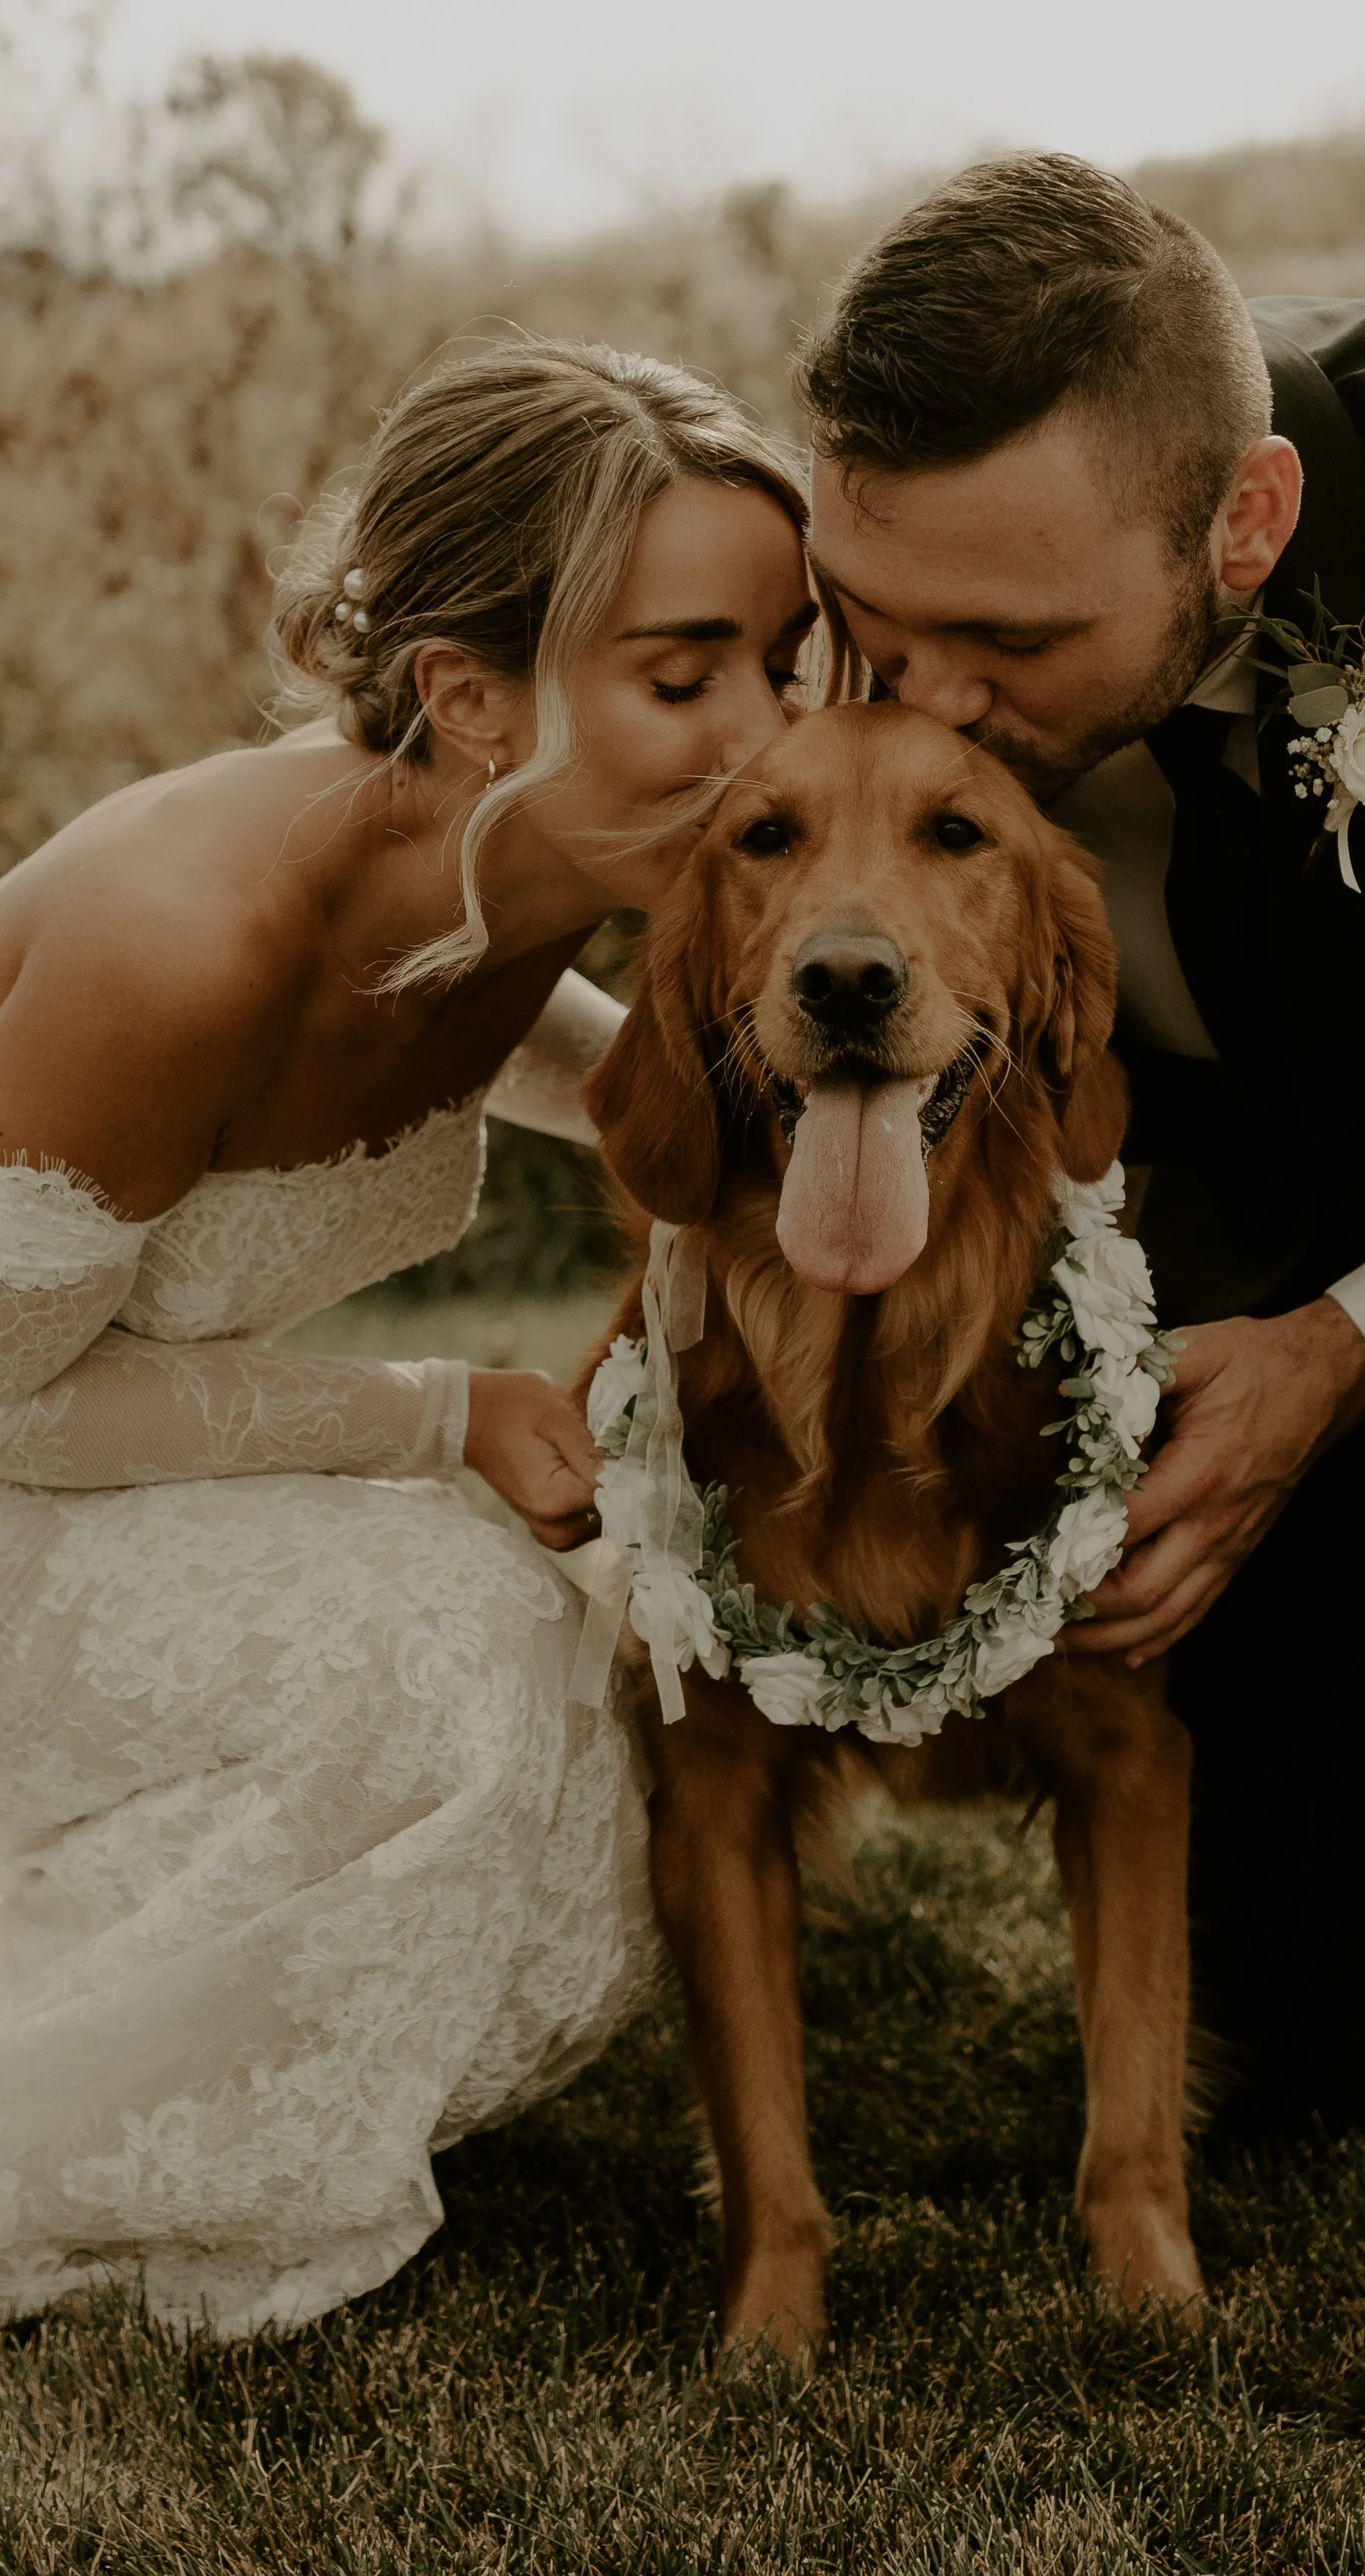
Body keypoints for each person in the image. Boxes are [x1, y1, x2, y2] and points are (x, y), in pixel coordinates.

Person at [797, 154, 1365, 2437]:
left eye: (1004, 650)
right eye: (871, 621)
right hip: (1209, 1205)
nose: (924, 696)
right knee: (1318, 2063)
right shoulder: (901, 587)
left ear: (1243, 521)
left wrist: (1349, 1349)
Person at [0, 339, 827, 2337]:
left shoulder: (510, 861)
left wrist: (727, 1133)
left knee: (618, 1595)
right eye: (683, 674)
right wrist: (436, 1408)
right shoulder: (179, 933)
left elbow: (482, 1031)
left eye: (784, 663)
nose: (765, 729)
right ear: (471, 696)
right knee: (437, 1622)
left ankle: (296, 2051)